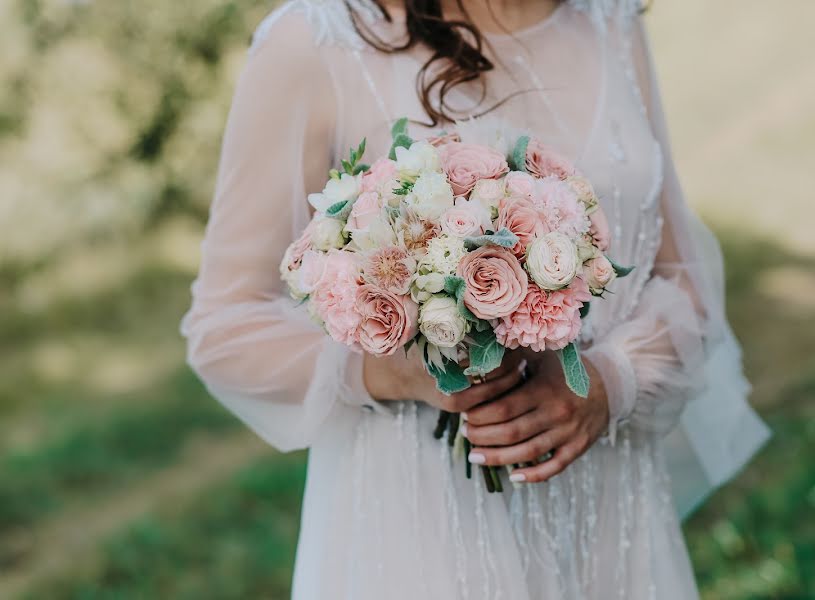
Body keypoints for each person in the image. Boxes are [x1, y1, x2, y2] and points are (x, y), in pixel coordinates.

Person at [181, 0, 770, 597]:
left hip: (610, 517)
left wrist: (609, 381)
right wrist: (399, 373)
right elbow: (224, 325)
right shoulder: (314, 42)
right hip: (423, 529)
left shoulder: (608, 22)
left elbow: (682, 277)